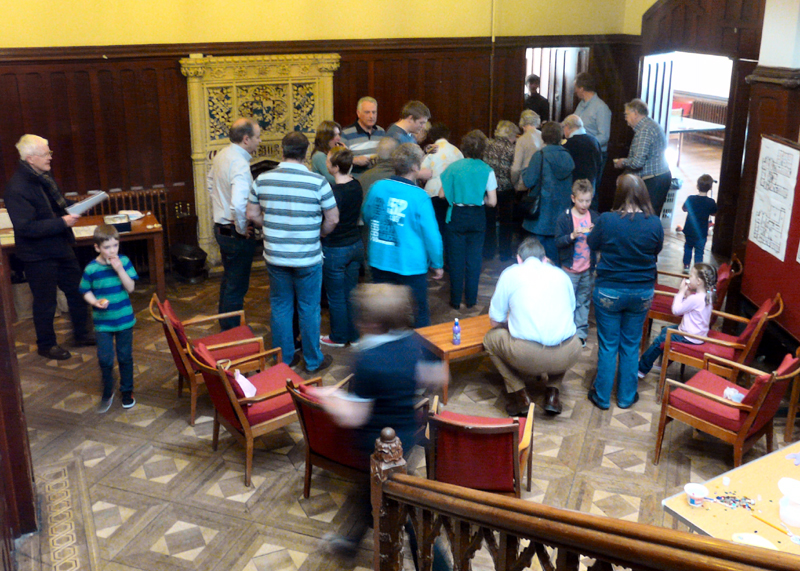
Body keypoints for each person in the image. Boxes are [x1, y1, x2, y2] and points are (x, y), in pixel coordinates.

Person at [315, 283, 450, 570]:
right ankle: (350, 544)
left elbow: (354, 416)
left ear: (372, 323)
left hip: (377, 447)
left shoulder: (368, 359)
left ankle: (439, 567)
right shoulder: (412, 342)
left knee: (406, 510)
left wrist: (328, 398)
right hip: (406, 437)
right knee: (368, 495)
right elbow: (437, 375)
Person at [247, 131, 339, 374]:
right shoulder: (318, 182)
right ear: (306, 153)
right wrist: (318, 234)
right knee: (309, 308)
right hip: (308, 256)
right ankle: (313, 360)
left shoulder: (262, 180)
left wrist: (269, 228)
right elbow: (333, 219)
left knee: (280, 306)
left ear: (282, 150)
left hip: (275, 255)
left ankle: (283, 359)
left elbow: (251, 214)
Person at [4, 134, 94, 360]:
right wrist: (62, 222)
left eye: (49, 153)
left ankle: (82, 334)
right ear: (30, 158)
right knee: (45, 302)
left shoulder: (44, 177)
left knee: (77, 291)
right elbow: (26, 228)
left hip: (60, 245)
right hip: (37, 255)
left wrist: (79, 206)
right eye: (46, 154)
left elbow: (56, 205)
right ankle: (46, 345)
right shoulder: (16, 188)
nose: (50, 157)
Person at [587, 174, 664, 410]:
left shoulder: (607, 220)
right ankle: (626, 397)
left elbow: (591, 243)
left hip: (609, 289)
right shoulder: (654, 223)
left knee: (608, 345)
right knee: (631, 345)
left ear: (618, 194)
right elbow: (656, 250)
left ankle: (602, 397)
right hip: (642, 291)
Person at [484, 237, 581, 416]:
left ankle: (521, 396)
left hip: (527, 356)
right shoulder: (562, 275)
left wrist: (513, 323)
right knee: (565, 334)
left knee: (490, 339)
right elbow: (571, 310)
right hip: (569, 352)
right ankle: (552, 394)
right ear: (544, 259)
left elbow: (495, 321)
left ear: (519, 259)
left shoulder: (510, 274)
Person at [362, 143, 444, 328]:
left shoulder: (377, 187)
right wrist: (437, 263)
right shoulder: (419, 196)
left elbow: (367, 215)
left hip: (380, 259)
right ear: (415, 167)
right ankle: (422, 345)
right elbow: (432, 236)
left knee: (383, 311)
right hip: (410, 264)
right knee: (419, 311)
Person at [207, 117, 262, 330]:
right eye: (257, 137)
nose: (259, 141)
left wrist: (220, 205)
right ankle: (232, 332)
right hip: (234, 233)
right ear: (246, 139)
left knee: (229, 281)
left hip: (221, 228)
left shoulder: (222, 154)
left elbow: (210, 182)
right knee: (237, 286)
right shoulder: (239, 163)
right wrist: (241, 228)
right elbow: (239, 204)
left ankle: (226, 326)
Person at [79, 224, 139, 412]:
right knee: (105, 359)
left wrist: (120, 270)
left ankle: (127, 390)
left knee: (125, 357)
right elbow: (85, 290)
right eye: (107, 247)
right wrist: (94, 302)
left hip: (124, 320)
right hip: (102, 323)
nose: (112, 251)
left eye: (115, 245)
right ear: (97, 247)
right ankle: (108, 389)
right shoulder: (91, 269)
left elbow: (130, 288)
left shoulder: (124, 261)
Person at [440, 130, 497, 309]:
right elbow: (492, 202)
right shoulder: (487, 169)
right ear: (483, 149)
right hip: (477, 216)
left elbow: (441, 195)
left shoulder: (453, 167)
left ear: (464, 148)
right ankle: (471, 299)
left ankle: (455, 300)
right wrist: (481, 198)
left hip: (456, 215)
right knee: (474, 259)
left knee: (455, 259)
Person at [638, 263, 716, 378]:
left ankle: (641, 369)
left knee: (660, 340)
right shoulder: (707, 296)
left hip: (688, 336)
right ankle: (664, 362)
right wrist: (688, 295)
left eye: (691, 276)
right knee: (665, 331)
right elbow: (693, 308)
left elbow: (676, 310)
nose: (689, 278)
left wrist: (680, 292)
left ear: (699, 281)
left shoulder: (695, 299)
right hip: (697, 335)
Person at [320, 148, 364, 348]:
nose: (326, 163)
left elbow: (331, 221)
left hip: (336, 248)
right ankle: (354, 336)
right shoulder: (356, 184)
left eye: (328, 161)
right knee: (351, 293)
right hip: (355, 244)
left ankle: (338, 337)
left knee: (336, 296)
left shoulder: (333, 192)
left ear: (335, 167)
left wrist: (322, 233)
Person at [521, 121, 575, 263]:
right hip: (560, 213)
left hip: (540, 215)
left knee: (536, 258)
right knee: (554, 258)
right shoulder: (568, 156)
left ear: (543, 136)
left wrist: (525, 170)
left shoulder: (540, 156)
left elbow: (528, 181)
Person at [554, 179, 599, 347]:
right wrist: (572, 236)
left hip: (587, 269)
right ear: (573, 198)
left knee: (583, 302)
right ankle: (563, 332)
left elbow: (600, 242)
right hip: (569, 269)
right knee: (566, 302)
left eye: (588, 200)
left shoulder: (594, 217)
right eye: (581, 200)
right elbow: (558, 242)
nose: (585, 204)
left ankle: (580, 334)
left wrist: (596, 233)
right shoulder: (564, 218)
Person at [613, 99, 672, 216]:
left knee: (648, 216)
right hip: (660, 177)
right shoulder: (650, 124)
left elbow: (638, 162)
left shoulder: (644, 131)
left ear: (635, 113)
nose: (625, 119)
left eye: (627, 115)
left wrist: (622, 162)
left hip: (654, 181)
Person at [574, 72, 612, 209]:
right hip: (580, 154)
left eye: (576, 87)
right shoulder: (581, 105)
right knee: (579, 190)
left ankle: (591, 220)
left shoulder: (601, 108)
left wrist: (585, 144)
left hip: (594, 155)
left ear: (582, 88)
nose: (575, 91)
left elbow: (604, 136)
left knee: (590, 191)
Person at [420, 123, 463, 244]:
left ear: (432, 136)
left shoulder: (431, 150)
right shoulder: (456, 150)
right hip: (452, 193)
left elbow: (423, 172)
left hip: (432, 192)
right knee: (450, 226)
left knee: (435, 226)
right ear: (448, 135)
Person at [482, 120, 519, 260]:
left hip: (488, 187)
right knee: (506, 222)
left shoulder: (487, 144)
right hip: (506, 189)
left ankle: (488, 252)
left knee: (489, 221)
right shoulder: (512, 148)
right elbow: (514, 169)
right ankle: (505, 253)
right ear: (511, 134)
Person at [340, 96, 385, 177]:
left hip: (378, 179)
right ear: (358, 113)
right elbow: (338, 160)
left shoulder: (381, 132)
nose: (371, 116)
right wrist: (353, 160)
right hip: (357, 179)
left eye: (374, 112)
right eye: (367, 112)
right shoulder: (346, 134)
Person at [681, 174, 718, 270]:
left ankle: (686, 266)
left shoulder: (690, 198)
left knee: (688, 247)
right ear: (710, 187)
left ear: (697, 186)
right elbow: (714, 213)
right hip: (701, 231)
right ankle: (697, 269)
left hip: (689, 229)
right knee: (699, 251)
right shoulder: (711, 202)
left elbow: (684, 209)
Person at [562, 114, 602, 190]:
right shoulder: (594, 141)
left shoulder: (568, 144)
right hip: (591, 185)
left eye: (563, 127)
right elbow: (599, 165)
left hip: (574, 187)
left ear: (567, 126)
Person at [511, 110, 543, 191]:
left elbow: (516, 168)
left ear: (522, 122)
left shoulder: (521, 140)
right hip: (541, 182)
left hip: (525, 183)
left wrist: (513, 183)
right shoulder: (543, 136)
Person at [310, 120, 342, 185]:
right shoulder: (319, 156)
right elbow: (334, 179)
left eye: (339, 134)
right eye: (335, 135)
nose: (339, 138)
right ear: (326, 137)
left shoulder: (332, 153)